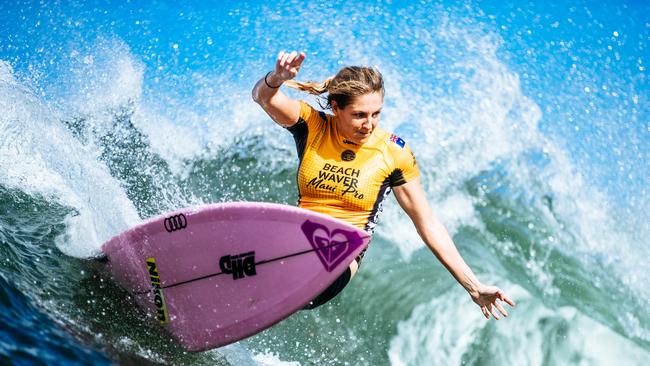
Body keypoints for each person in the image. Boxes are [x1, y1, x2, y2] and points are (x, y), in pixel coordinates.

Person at [252, 50, 515, 319]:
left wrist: (473, 286)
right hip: (296, 241)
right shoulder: (314, 126)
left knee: (292, 262)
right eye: (359, 115)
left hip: (338, 259)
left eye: (376, 114)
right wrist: (277, 78)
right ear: (335, 107)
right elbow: (263, 97)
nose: (369, 124)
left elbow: (426, 221)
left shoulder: (393, 152)